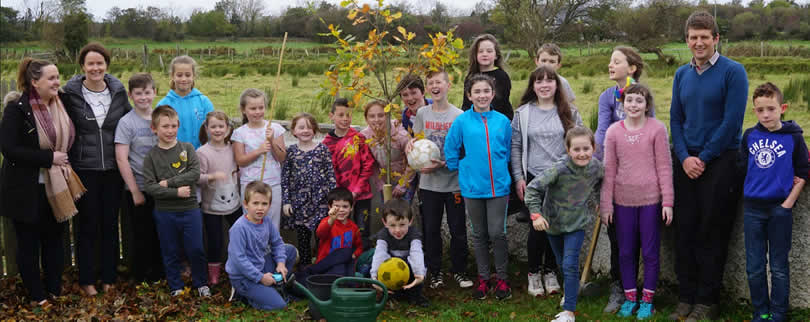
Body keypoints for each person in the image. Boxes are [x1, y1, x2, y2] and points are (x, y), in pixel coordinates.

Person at [669, 11, 749, 321]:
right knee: (684, 229)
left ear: (716, 39)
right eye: (693, 37)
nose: (699, 42)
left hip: (721, 162)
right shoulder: (681, 74)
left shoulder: (733, 71)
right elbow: (676, 119)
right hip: (686, 161)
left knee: (712, 231)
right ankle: (686, 296)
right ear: (687, 40)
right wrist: (685, 156)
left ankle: (707, 300)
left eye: (705, 36)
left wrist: (703, 158)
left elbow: (732, 122)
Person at [0, 58, 85, 306]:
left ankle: (54, 290)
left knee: (54, 241)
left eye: (58, 77)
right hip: (25, 188)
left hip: (57, 186)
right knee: (28, 244)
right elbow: (8, 148)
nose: (57, 82)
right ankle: (37, 295)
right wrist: (48, 158)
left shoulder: (63, 104)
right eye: (51, 78)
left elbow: (73, 136)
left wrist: (62, 161)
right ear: (34, 82)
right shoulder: (17, 109)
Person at [61, 42, 131, 296]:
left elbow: (130, 123)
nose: (95, 68)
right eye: (90, 63)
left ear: (107, 66)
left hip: (113, 170)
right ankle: (87, 279)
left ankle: (109, 277)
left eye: (100, 63)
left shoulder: (118, 92)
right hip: (84, 169)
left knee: (110, 225)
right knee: (87, 226)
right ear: (82, 66)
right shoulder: (69, 95)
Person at [599, 84, 673, 320]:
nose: (633, 105)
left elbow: (664, 167)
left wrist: (667, 201)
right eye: (629, 100)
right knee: (626, 252)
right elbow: (608, 171)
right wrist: (606, 205)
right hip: (622, 202)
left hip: (651, 202)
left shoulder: (657, 129)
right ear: (622, 104)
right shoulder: (613, 132)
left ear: (647, 105)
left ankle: (647, 301)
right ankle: (630, 298)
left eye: (639, 101)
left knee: (650, 252)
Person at [739, 82, 808, 322]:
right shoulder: (749, 136)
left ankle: (778, 313)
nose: (765, 114)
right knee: (754, 266)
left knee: (778, 267)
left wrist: (788, 203)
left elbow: (803, 171)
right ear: (754, 110)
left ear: (783, 108)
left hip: (780, 210)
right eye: (760, 110)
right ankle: (761, 311)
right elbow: (741, 168)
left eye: (771, 108)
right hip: (753, 210)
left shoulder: (795, 138)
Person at [511, 66, 582, 298]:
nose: (544, 85)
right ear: (533, 86)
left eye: (549, 80)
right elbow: (516, 147)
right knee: (537, 228)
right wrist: (519, 178)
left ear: (556, 85)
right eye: (539, 81)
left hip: (561, 178)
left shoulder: (569, 112)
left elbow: (578, 143)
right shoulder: (522, 114)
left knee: (557, 228)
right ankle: (533, 274)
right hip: (534, 179)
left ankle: (551, 271)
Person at [524, 126, 603, 322]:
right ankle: (571, 290)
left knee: (569, 264)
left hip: (576, 225)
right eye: (576, 149)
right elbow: (532, 189)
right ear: (568, 150)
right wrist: (536, 214)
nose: (582, 153)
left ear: (593, 147)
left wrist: (602, 200)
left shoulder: (596, 167)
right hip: (553, 224)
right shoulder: (558, 169)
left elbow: (603, 181)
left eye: (586, 148)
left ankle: (569, 312)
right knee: (561, 263)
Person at [445, 74, 512, 300]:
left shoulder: (502, 121)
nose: (482, 95)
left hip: (499, 188)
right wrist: (460, 167)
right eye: (477, 92)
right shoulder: (462, 122)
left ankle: (502, 278)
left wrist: (503, 169)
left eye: (486, 91)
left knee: (497, 233)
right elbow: (451, 147)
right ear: (469, 95)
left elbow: (508, 149)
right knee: (479, 234)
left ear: (492, 94)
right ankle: (483, 279)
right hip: (472, 187)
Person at [406, 69, 472, 290]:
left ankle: (460, 271)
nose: (435, 86)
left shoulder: (459, 116)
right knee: (431, 230)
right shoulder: (423, 113)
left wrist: (443, 164)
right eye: (431, 83)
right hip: (428, 185)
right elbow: (417, 141)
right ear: (428, 89)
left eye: (439, 82)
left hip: (453, 183)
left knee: (457, 229)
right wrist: (410, 145)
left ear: (448, 85)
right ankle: (435, 272)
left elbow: (465, 151)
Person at [593, 45, 647, 312]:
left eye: (616, 61)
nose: (610, 65)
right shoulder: (606, 96)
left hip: (639, 179)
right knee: (616, 235)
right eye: (610, 62)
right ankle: (619, 286)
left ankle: (640, 289)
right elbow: (602, 131)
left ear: (632, 68)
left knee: (639, 236)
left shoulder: (642, 95)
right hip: (612, 177)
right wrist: (596, 164)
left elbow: (650, 132)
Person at [142, 105, 210, 297]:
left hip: (190, 209)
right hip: (165, 212)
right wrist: (175, 192)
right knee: (170, 250)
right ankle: (176, 286)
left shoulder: (187, 149)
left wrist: (168, 183)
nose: (170, 131)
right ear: (154, 129)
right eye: (165, 126)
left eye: (173, 126)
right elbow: (150, 187)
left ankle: (201, 283)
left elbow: (194, 174)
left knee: (196, 248)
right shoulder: (151, 157)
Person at [114, 73, 163, 283]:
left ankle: (159, 273)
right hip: (139, 187)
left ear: (155, 92)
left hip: (161, 187)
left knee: (160, 232)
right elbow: (122, 158)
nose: (144, 97)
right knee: (140, 233)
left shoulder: (161, 118)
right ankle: (140, 275)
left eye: (147, 92)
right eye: (138, 93)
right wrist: (134, 190)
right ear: (130, 95)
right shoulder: (126, 123)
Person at [226, 180, 298, 311]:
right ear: (246, 205)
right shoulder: (239, 228)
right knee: (279, 305)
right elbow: (239, 260)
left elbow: (277, 243)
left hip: (260, 264)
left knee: (290, 251)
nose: (260, 208)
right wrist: (260, 278)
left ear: (270, 205)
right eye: (255, 203)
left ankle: (275, 285)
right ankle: (243, 295)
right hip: (243, 276)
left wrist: (281, 263)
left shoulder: (266, 221)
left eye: (264, 204)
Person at [281, 113, 337, 267]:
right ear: (293, 131)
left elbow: (331, 176)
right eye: (301, 127)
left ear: (315, 130)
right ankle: (305, 270)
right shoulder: (291, 151)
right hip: (299, 205)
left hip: (321, 203)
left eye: (309, 127)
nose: (305, 130)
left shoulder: (322, 150)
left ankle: (321, 267)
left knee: (322, 238)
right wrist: (286, 202)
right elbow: (285, 178)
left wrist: (333, 202)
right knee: (303, 240)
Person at [322, 98, 375, 250]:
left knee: (362, 230)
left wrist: (356, 190)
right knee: (340, 231)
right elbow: (328, 171)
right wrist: (339, 195)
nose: (345, 119)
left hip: (362, 194)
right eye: (341, 115)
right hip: (339, 199)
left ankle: (363, 266)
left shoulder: (358, 138)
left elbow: (368, 165)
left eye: (348, 115)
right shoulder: (327, 143)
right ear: (331, 116)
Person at [197, 111, 241, 285]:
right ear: (207, 129)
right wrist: (212, 176)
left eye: (221, 126)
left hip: (234, 202)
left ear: (228, 129)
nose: (217, 130)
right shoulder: (202, 152)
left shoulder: (233, 148)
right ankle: (214, 273)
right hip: (211, 206)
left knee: (239, 235)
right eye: (213, 126)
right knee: (215, 241)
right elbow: (196, 177)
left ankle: (238, 267)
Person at [232, 88, 287, 228]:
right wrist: (258, 151)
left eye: (261, 107)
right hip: (250, 185)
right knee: (251, 225)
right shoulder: (239, 133)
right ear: (244, 110)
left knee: (272, 225)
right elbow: (240, 161)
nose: (257, 112)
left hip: (272, 184)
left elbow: (282, 158)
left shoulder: (275, 128)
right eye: (253, 108)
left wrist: (272, 140)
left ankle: (272, 250)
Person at [370, 199, 429, 307]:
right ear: (385, 222)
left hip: (409, 268)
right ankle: (389, 296)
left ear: (410, 221)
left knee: (420, 265)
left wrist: (419, 274)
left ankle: (415, 296)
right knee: (381, 268)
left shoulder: (414, 234)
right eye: (392, 225)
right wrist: (374, 277)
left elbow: (417, 254)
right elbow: (379, 254)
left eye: (402, 224)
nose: (397, 230)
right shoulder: (383, 235)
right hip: (391, 269)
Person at [299, 187, 364, 282]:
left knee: (349, 275)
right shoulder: (327, 222)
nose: (341, 210)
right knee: (339, 273)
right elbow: (320, 233)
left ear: (351, 207)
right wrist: (331, 219)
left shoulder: (353, 227)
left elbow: (359, 246)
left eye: (345, 206)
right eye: (336, 207)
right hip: (326, 264)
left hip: (344, 263)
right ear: (330, 207)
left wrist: (354, 254)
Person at [360, 100, 416, 200]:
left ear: (388, 116)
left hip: (405, 179)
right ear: (366, 119)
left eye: (381, 115)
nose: (376, 120)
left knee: (402, 212)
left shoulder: (400, 135)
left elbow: (413, 161)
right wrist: (381, 184)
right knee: (388, 213)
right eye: (372, 116)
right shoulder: (365, 137)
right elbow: (372, 164)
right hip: (385, 182)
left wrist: (402, 185)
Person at [156, 55, 213, 149]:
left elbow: (211, 131)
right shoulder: (163, 105)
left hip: (200, 156)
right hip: (172, 156)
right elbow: (158, 134)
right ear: (172, 76)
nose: (183, 79)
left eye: (187, 75)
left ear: (194, 76)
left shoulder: (204, 102)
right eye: (179, 75)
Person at [461, 34, 513, 120]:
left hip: (497, 124)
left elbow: (504, 104)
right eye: (480, 51)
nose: (484, 54)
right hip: (475, 124)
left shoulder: (502, 77)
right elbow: (466, 105)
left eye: (489, 51)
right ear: (475, 55)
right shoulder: (470, 77)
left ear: (496, 55)